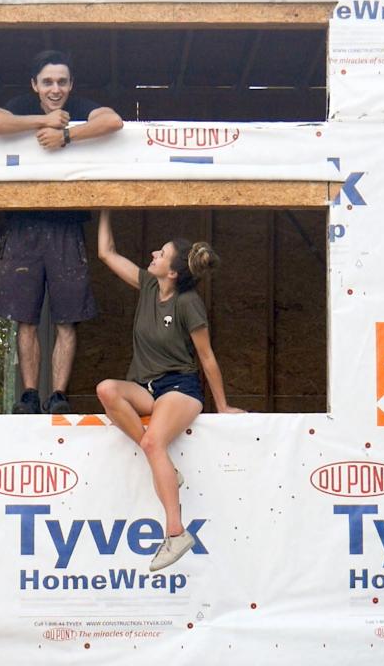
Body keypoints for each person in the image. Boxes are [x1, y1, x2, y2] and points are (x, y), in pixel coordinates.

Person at [95, 209, 244, 572]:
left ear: (173, 273)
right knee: (107, 389)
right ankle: (163, 468)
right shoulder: (148, 285)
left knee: (151, 443)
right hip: (147, 387)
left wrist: (221, 406)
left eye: (160, 255)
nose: (152, 257)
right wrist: (104, 206)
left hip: (180, 387)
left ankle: (176, 532)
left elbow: (206, 357)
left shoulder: (188, 303)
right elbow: (106, 252)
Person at [0, 51, 123, 414]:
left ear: (71, 84)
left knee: (67, 317)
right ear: (35, 85)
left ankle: (58, 395)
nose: (56, 88)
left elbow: (112, 121)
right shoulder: (23, 105)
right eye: (48, 82)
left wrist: (68, 136)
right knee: (25, 318)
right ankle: (30, 394)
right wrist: (41, 120)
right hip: (23, 223)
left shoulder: (78, 105)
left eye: (62, 81)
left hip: (67, 225)